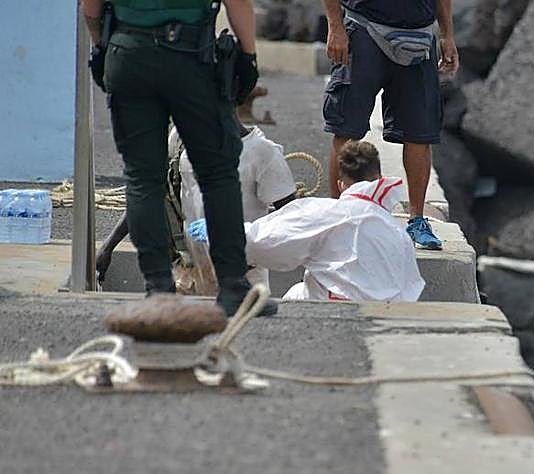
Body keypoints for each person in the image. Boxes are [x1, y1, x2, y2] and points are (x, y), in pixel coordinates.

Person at [83, 0, 277, 317]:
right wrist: (249, 56)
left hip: (129, 52)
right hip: (191, 57)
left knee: (143, 178)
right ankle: (232, 287)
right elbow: (238, 3)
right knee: (217, 175)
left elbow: (90, 8)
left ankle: (159, 288)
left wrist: (102, 46)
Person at [321, 0, 458, 250]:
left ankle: (417, 220)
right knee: (346, 128)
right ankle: (337, 217)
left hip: (420, 36)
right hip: (363, 28)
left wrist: (447, 36)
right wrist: (335, 26)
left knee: (420, 134)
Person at [98, 121, 296, 290]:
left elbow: (295, 218)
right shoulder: (180, 138)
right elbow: (150, 192)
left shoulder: (262, 153)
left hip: (244, 280)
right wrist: (108, 247)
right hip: (187, 276)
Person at [240, 140, 424, 302]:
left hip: (341, 311)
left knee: (295, 295)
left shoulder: (326, 213)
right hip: (392, 315)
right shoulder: (397, 232)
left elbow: (259, 243)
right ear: (379, 179)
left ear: (340, 184)